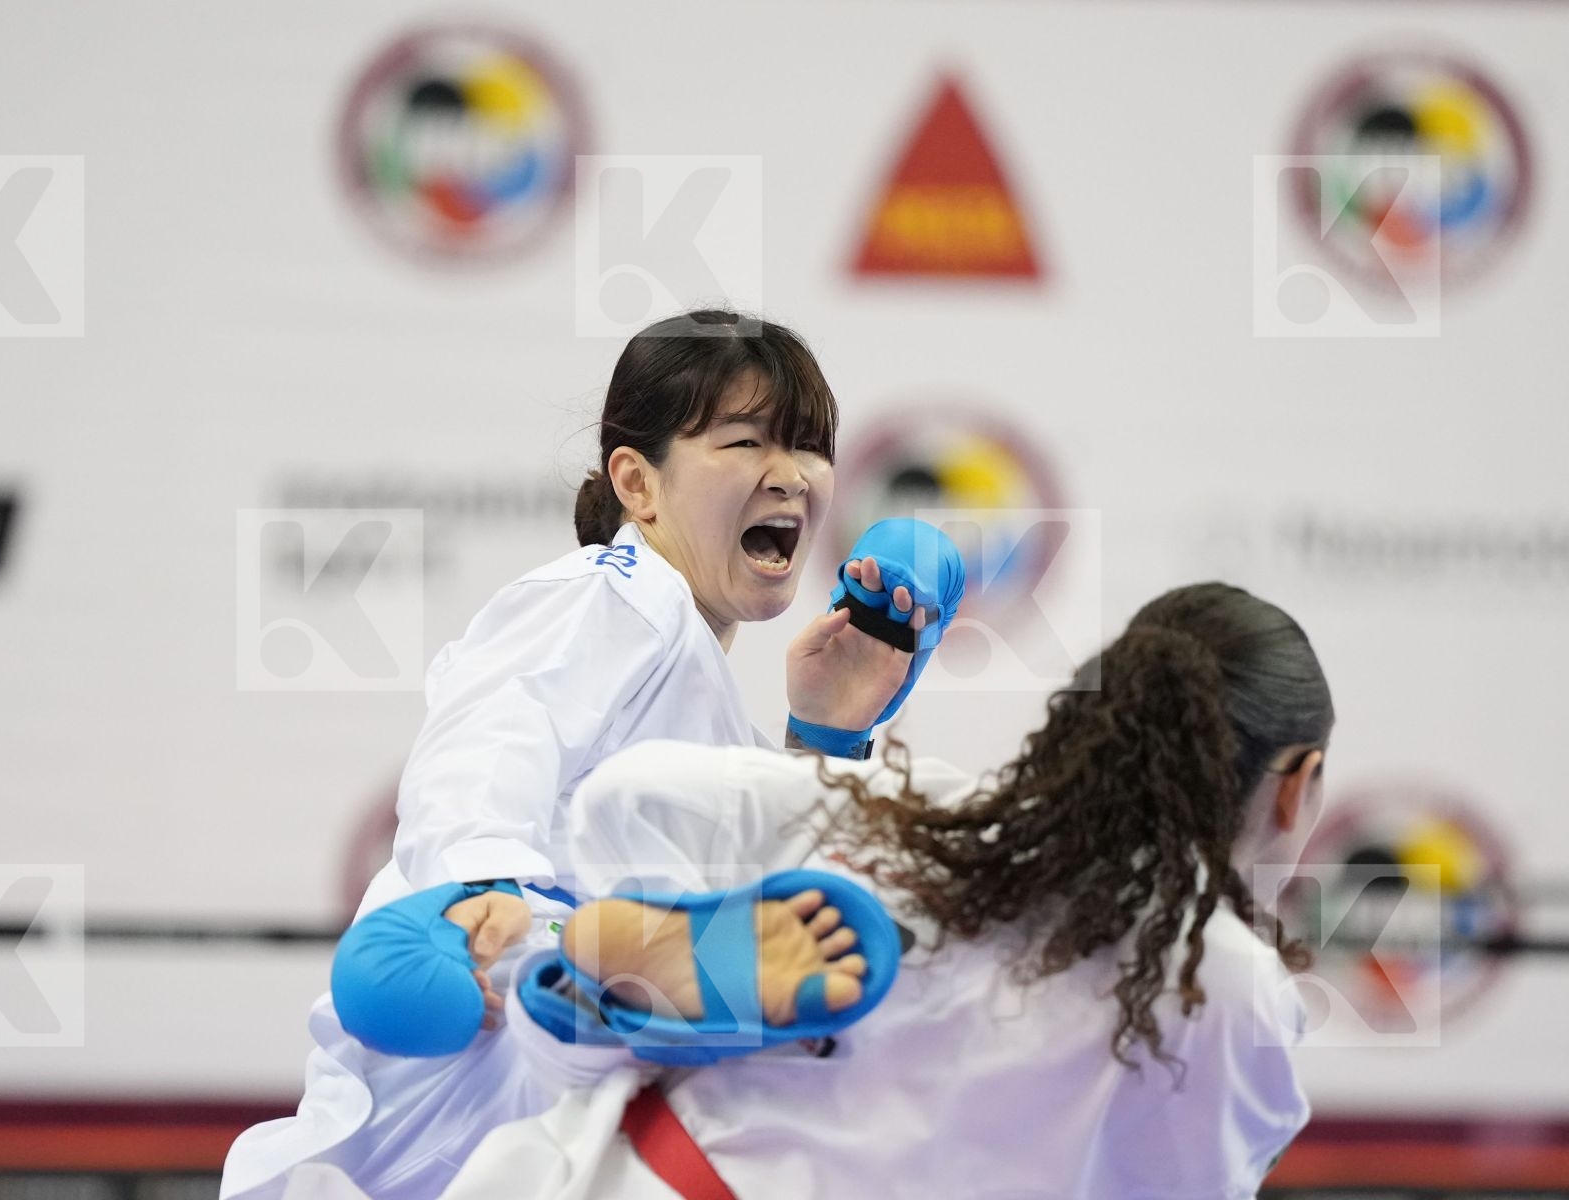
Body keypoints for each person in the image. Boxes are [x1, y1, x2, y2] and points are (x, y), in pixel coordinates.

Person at [221, 310, 926, 1200]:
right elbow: (495, 726)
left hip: (533, 1121)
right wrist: (477, 888)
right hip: (469, 1026)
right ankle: (601, 981)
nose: (789, 476)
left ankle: (615, 985)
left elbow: (802, 906)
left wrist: (828, 734)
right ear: (639, 483)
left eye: (809, 447)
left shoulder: (702, 693)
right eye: (747, 442)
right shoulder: (613, 596)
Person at [440, 581, 1332, 1200]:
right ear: (1299, 785)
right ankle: (637, 996)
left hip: (614, 1164)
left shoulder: (939, 816)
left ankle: (631, 999)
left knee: (572, 1015)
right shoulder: (1226, 979)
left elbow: (615, 799)